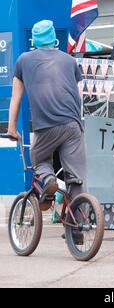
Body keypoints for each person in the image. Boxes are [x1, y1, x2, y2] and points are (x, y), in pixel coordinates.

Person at [8, 20, 87, 211]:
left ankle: (49, 180)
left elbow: (15, 98)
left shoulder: (23, 60)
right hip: (73, 124)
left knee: (39, 158)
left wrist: (12, 128)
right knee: (77, 177)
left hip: (46, 125)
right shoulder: (69, 60)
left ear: (34, 40)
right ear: (54, 39)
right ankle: (79, 228)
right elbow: (78, 96)